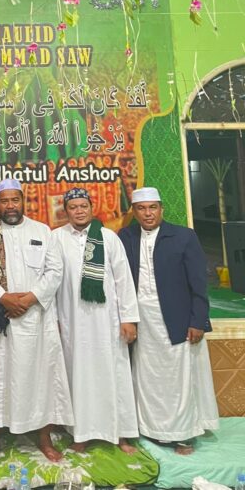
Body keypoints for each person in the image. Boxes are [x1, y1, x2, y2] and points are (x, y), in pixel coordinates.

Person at [0, 179, 73, 462]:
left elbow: (54, 271)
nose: (10, 206)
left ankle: (44, 438)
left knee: (41, 377)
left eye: (15, 200)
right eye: (4, 201)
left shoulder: (41, 231)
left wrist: (28, 299)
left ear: (23, 201)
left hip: (35, 318)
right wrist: (4, 298)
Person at [118, 187, 219, 455]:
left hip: (177, 319)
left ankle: (182, 435)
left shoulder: (183, 236)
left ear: (161, 209)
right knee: (147, 377)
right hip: (141, 320)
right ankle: (150, 429)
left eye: (153, 207)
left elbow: (199, 282)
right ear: (134, 212)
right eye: (142, 208)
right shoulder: (126, 237)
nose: (148, 213)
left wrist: (198, 320)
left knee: (179, 379)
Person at [52, 187, 139, 453]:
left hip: (107, 322)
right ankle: (81, 433)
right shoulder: (56, 238)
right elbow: (51, 282)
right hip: (72, 321)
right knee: (78, 376)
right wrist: (54, 319)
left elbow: (123, 280)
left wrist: (128, 318)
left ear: (91, 207)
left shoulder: (109, 237)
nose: (79, 211)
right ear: (66, 211)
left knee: (114, 373)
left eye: (83, 206)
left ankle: (121, 433)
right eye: (73, 207)